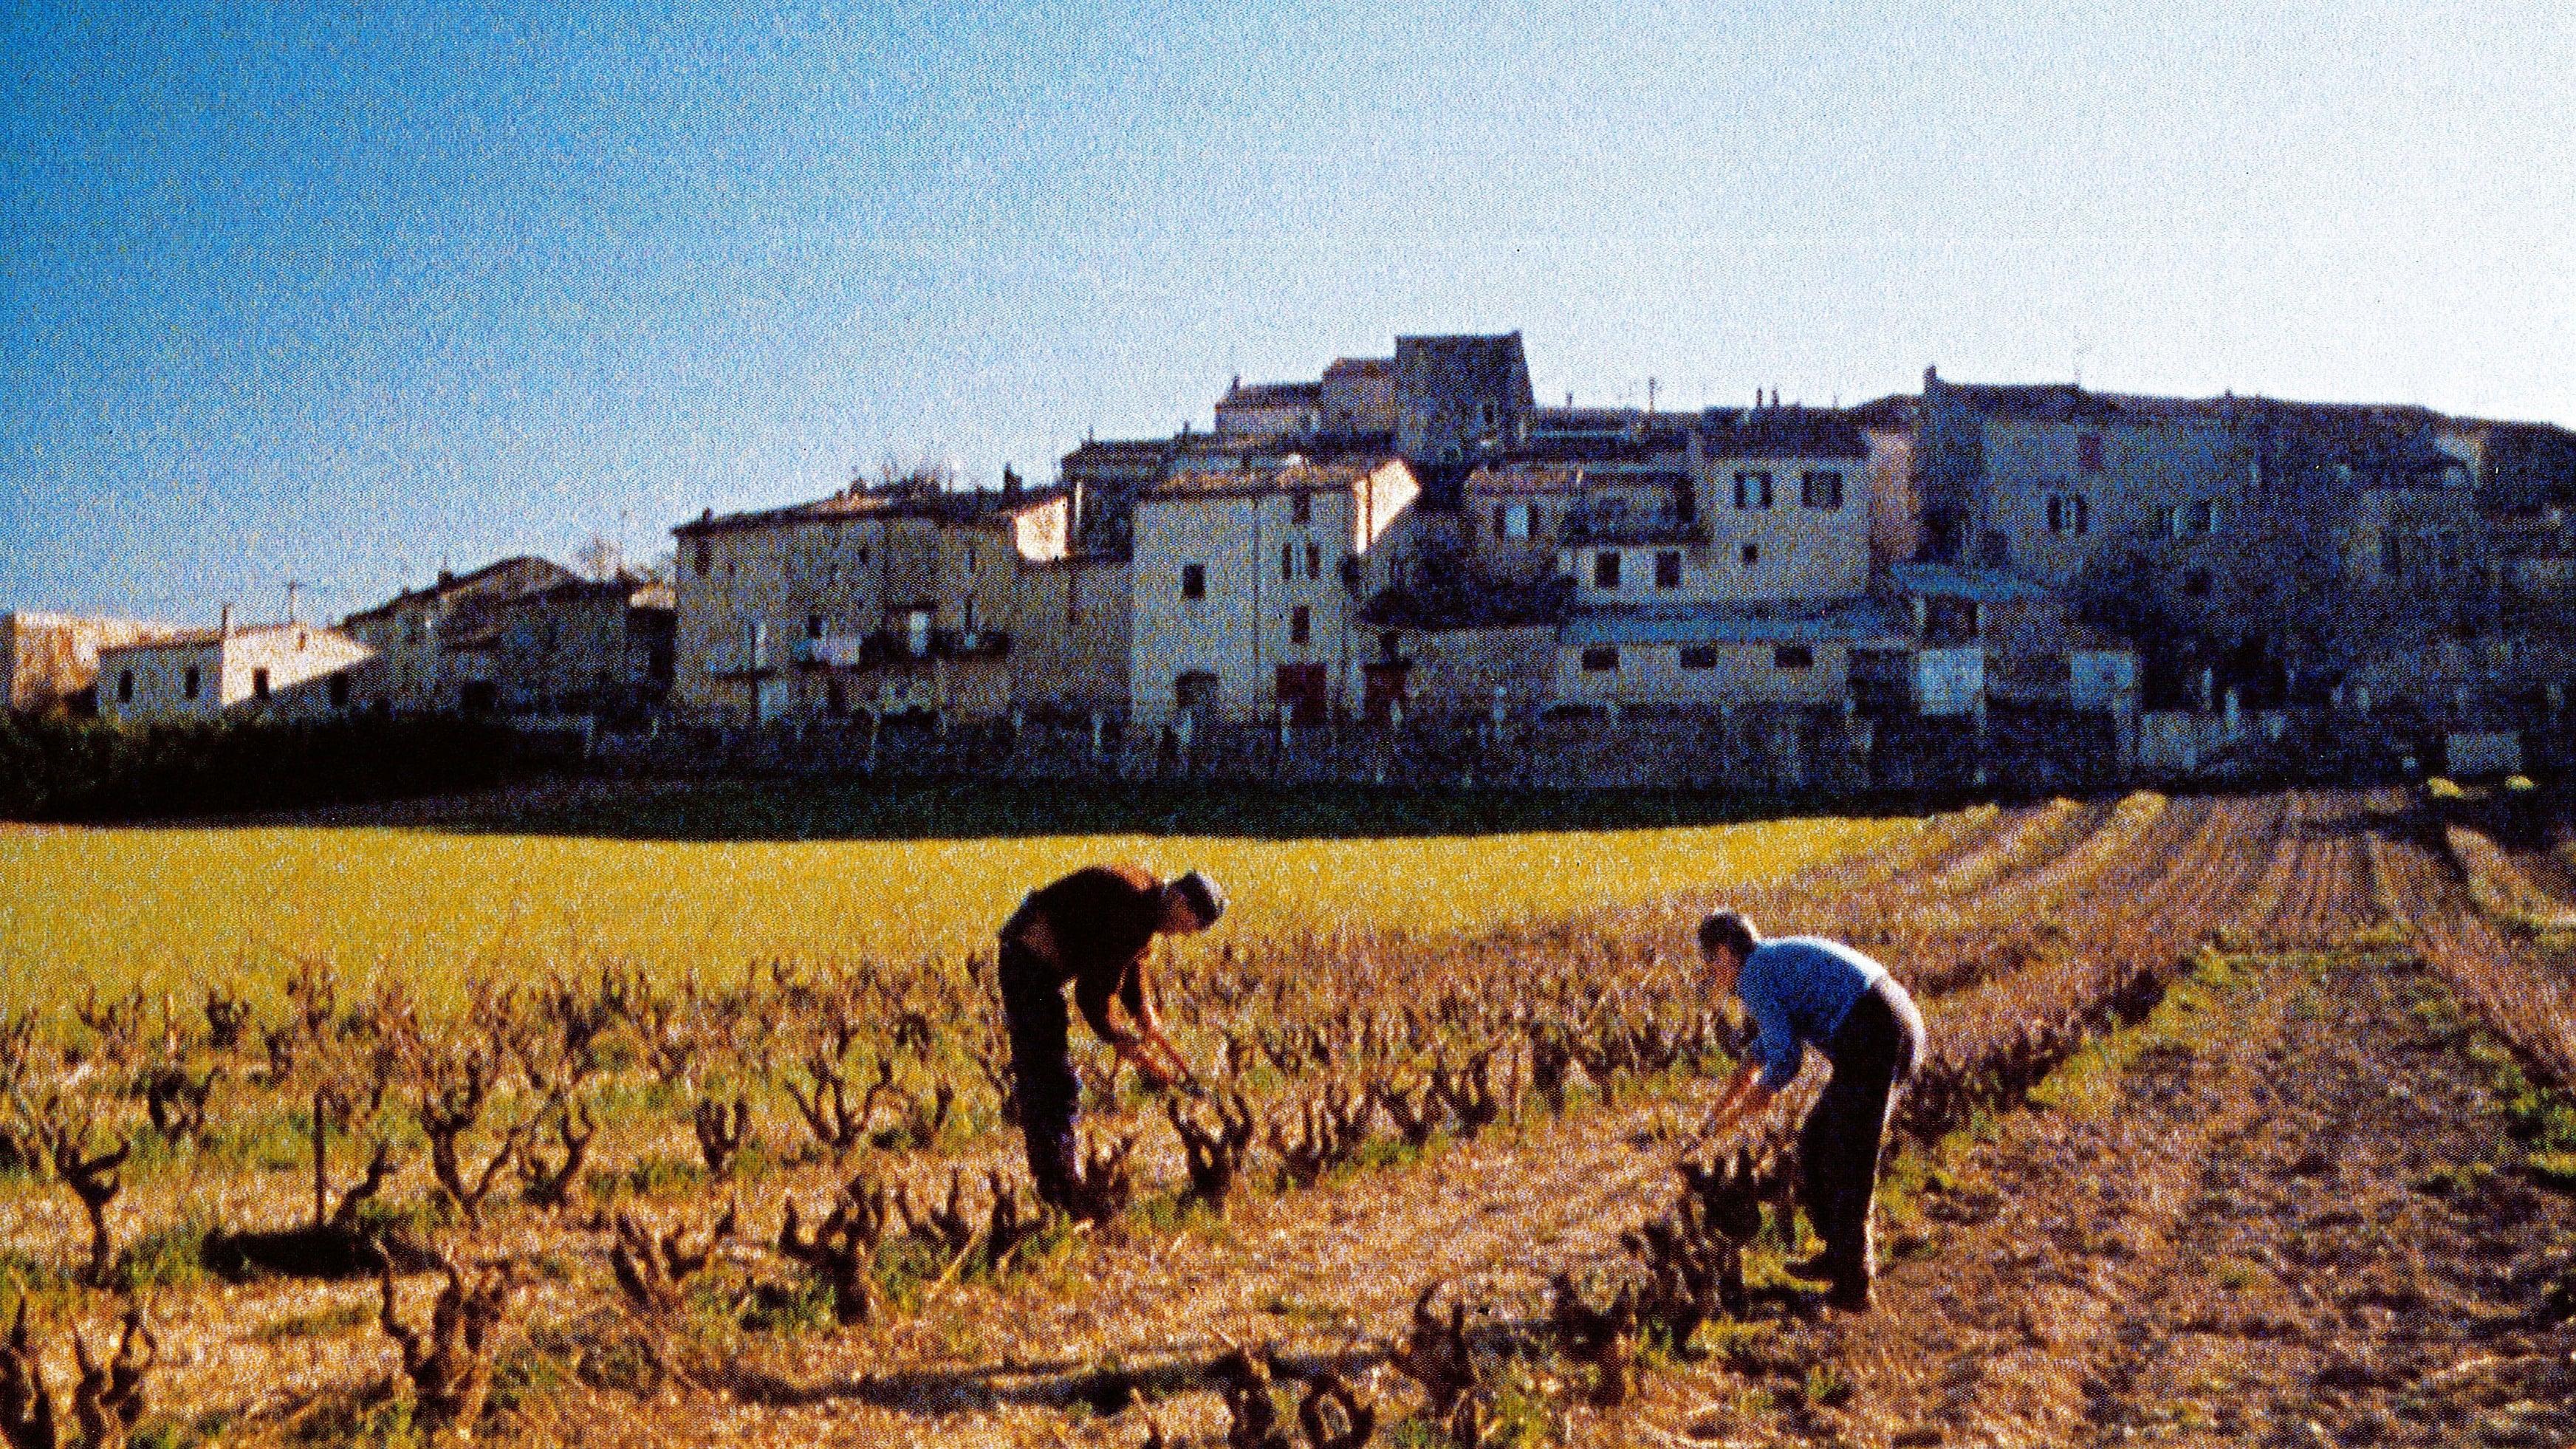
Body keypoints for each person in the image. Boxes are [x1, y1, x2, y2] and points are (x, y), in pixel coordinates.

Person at [1692, 909, 1925, 1312]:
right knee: (1816, 1143)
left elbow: (1785, 1061)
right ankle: (1838, 1255)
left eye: (1710, 962)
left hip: (1876, 1031)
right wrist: (1717, 1115)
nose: (1711, 973)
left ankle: (1852, 1288)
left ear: (1726, 954)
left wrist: (1746, 1107)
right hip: (1889, 1021)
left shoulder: (1754, 978)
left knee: (1846, 1157)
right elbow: (1763, 1051)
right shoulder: (1767, 962)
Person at [996, 865, 1224, 1210]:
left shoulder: (1147, 899)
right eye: (1192, 925)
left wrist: (1143, 1010)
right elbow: (1091, 996)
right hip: (1029, 964)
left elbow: (1131, 959)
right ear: (1180, 901)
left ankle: (1060, 1180)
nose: (1186, 935)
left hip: (1036, 963)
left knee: (1052, 1081)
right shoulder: (1135, 903)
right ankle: (1060, 1188)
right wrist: (1120, 1037)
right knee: (1052, 1081)